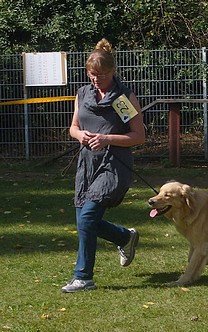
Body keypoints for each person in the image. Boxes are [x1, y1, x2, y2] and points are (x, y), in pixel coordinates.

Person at [62, 38, 145, 292]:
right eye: (92, 73)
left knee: (87, 218)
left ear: (113, 71)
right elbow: (73, 128)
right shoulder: (83, 93)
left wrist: (107, 138)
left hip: (114, 165)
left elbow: (138, 136)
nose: (96, 78)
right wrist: (81, 136)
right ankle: (125, 237)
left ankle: (83, 277)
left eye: (102, 74)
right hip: (87, 165)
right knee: (85, 222)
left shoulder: (122, 97)